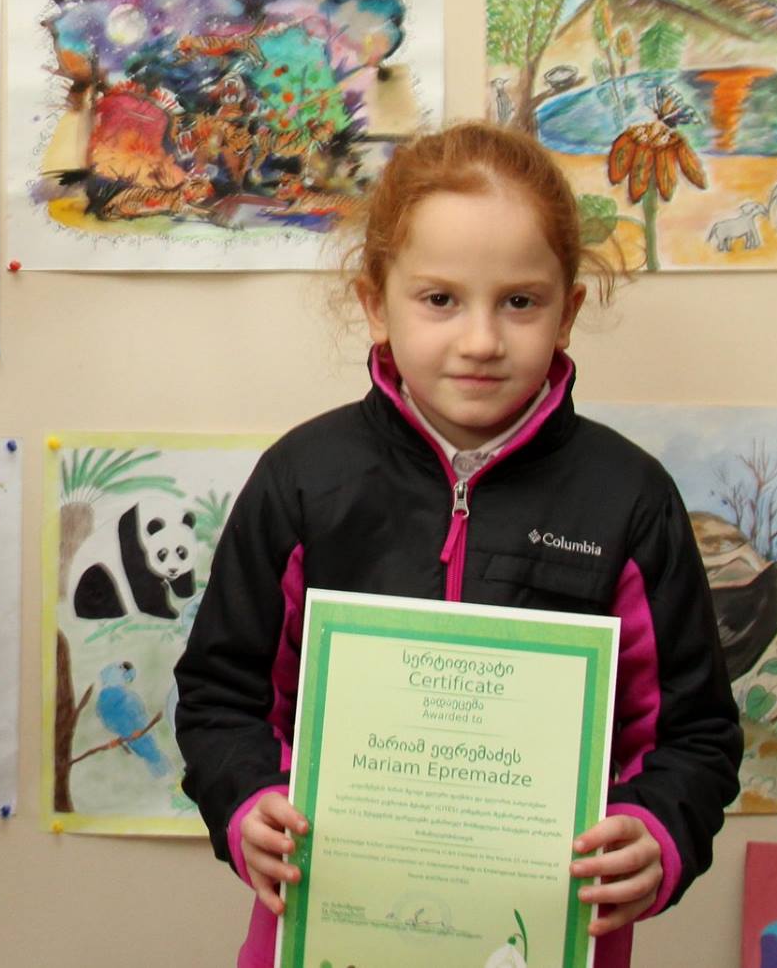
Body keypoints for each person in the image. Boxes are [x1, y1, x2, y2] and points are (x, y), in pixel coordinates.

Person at [174, 121, 740, 968]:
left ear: (568, 310)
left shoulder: (630, 499)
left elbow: (695, 736)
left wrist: (657, 833)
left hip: (546, 935)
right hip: (329, 924)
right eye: (440, 299)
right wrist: (247, 802)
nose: (481, 340)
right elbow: (220, 697)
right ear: (376, 302)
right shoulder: (302, 480)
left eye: (521, 301)